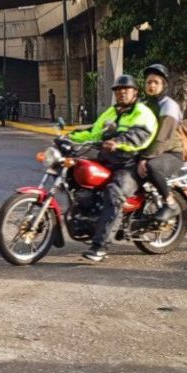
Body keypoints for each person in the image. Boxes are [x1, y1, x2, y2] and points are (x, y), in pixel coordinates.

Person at [68, 74, 158, 262]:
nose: (122, 93)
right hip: (107, 160)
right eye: (118, 90)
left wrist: (118, 141)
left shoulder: (142, 112)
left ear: (135, 92)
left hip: (130, 163)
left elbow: (140, 134)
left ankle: (100, 246)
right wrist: (69, 136)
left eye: (126, 89)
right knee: (75, 173)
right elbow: (93, 132)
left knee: (114, 192)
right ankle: (87, 219)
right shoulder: (111, 112)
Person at [137, 64, 183, 222]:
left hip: (170, 153)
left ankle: (170, 203)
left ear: (164, 85)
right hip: (150, 152)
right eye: (149, 82)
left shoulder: (169, 106)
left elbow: (162, 138)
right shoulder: (144, 105)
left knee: (152, 167)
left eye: (156, 82)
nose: (151, 85)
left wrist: (145, 158)